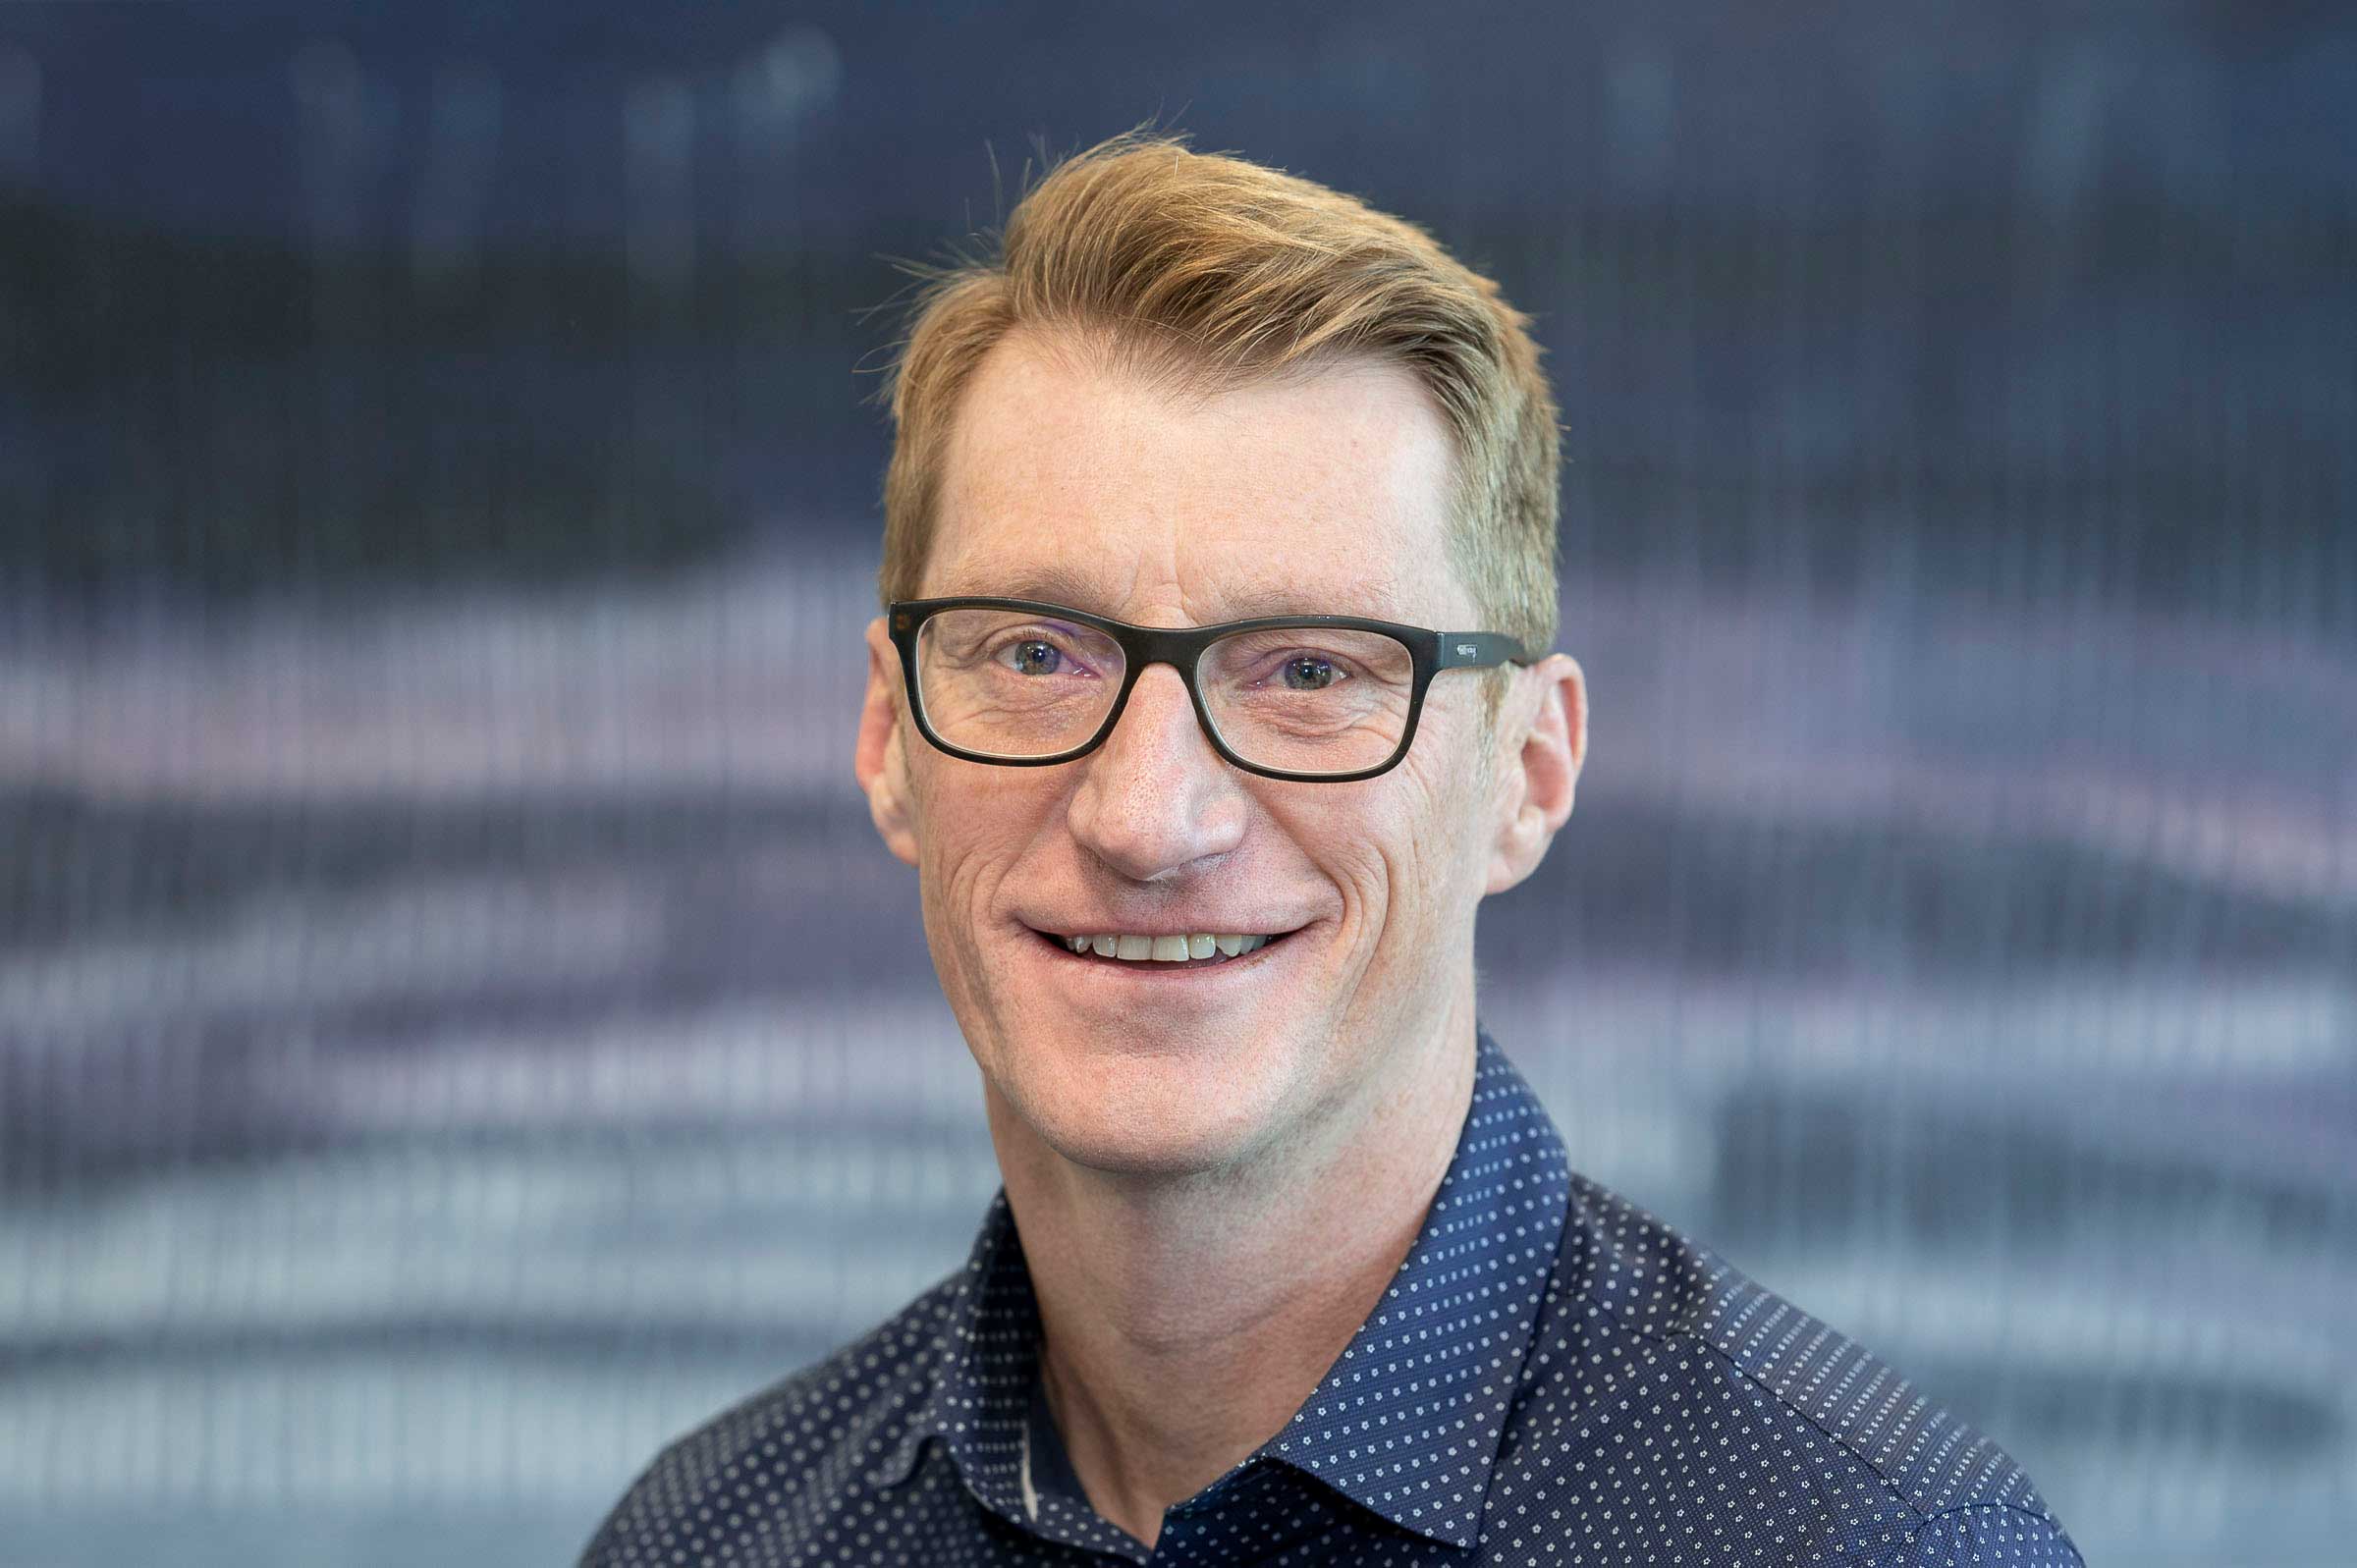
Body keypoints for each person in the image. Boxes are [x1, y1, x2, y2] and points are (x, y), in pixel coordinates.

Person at [581, 132, 2082, 1567]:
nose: (1147, 818)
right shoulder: (712, 1538)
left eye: (1311, 672)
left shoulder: (1871, 1546)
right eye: (1035, 654)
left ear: (1529, 770)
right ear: (887, 736)